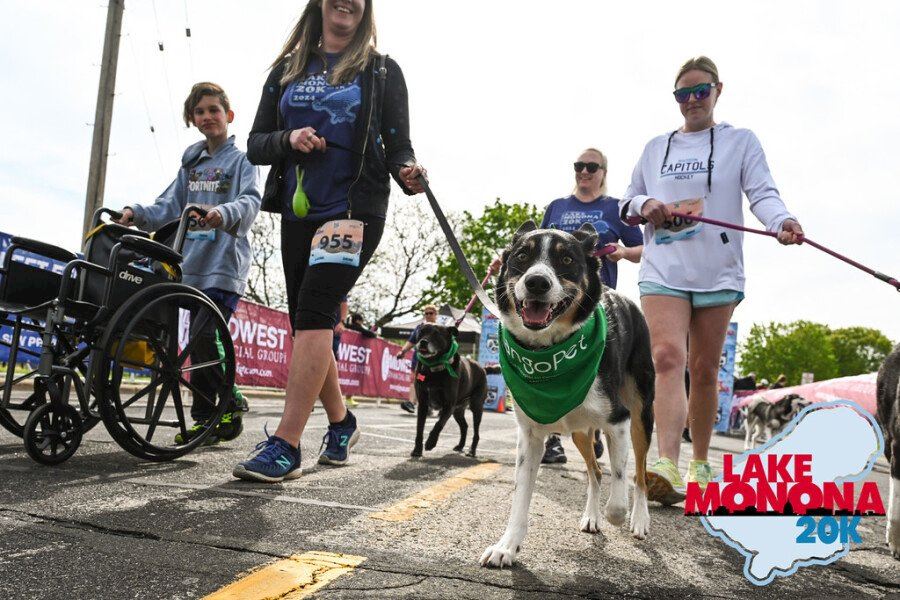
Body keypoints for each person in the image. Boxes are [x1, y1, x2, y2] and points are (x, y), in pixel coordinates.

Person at [233, 0, 425, 482]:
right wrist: (289, 138)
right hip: (300, 208)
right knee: (305, 326)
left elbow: (398, 142)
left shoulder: (381, 70)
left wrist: (408, 171)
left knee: (317, 312)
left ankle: (286, 445)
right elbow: (256, 142)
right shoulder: (286, 69)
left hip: (355, 207)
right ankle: (342, 422)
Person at [619, 56, 803, 504]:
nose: (693, 100)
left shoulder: (740, 141)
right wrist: (645, 204)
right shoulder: (654, 147)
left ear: (719, 90)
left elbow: (762, 192)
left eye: (701, 91)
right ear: (676, 99)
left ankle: (700, 462)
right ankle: (665, 462)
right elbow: (626, 202)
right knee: (665, 357)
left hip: (717, 269)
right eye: (684, 94)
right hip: (663, 267)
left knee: (702, 371)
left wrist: (783, 220)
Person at [117, 82, 261, 445]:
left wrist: (222, 212)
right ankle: (226, 405)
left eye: (214, 110)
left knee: (203, 337)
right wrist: (136, 213)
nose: (208, 116)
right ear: (192, 119)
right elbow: (168, 206)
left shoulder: (242, 161)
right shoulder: (191, 165)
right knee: (195, 344)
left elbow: (251, 201)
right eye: (200, 112)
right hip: (190, 265)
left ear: (228, 116)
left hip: (224, 265)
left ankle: (209, 414)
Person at [538, 148, 644, 465]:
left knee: (594, 368)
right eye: (579, 166)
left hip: (597, 302)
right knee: (552, 365)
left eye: (591, 166)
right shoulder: (557, 207)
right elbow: (537, 241)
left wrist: (623, 253)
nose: (584, 171)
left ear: (603, 172)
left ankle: (594, 429)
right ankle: (553, 439)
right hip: (555, 302)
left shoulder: (614, 208)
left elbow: (643, 248)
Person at [396, 305, 438, 414]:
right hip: (419, 360)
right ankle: (411, 403)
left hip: (434, 361)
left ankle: (429, 404)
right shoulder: (420, 328)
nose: (428, 315)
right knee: (416, 380)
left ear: (435, 314)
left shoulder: (440, 328)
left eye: (431, 313)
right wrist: (403, 351)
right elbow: (411, 341)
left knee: (431, 383)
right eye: (426, 313)